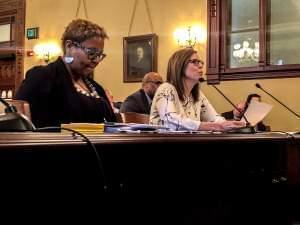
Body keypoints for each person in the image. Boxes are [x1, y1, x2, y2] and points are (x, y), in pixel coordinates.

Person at [15, 19, 116, 128]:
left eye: (99, 55)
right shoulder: (42, 77)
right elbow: (19, 122)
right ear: (69, 46)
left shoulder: (96, 87)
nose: (96, 60)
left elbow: (112, 123)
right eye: (91, 53)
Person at [149, 48, 245, 132]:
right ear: (180, 65)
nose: (200, 66)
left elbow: (214, 118)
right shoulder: (166, 89)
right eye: (195, 62)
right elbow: (171, 122)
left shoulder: (198, 94)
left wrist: (229, 124)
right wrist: (216, 126)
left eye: (200, 62)